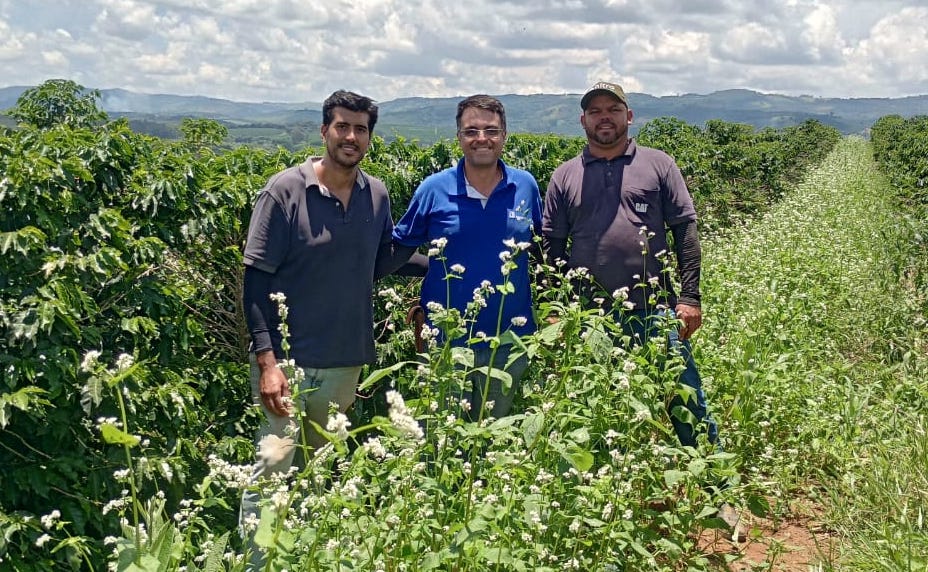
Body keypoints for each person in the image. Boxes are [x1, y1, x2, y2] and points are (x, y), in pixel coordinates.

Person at [239, 90, 423, 564]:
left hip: (345, 359)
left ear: (369, 137)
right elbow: (255, 282)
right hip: (291, 363)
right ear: (324, 131)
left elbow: (379, 262)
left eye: (361, 129)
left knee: (319, 471)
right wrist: (268, 363)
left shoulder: (375, 194)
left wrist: (441, 255)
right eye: (342, 126)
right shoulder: (284, 191)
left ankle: (303, 557)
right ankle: (257, 561)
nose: (351, 136)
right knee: (275, 464)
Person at [542, 81, 719, 449]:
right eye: (595, 112)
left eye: (613, 110)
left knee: (684, 398)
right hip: (589, 316)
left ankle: (714, 486)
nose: (604, 118)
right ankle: (611, 487)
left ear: (629, 116)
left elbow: (685, 231)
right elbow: (553, 245)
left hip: (655, 309)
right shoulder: (565, 175)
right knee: (596, 404)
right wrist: (557, 307)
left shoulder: (659, 164)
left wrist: (690, 297)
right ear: (583, 120)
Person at [392, 95, 543, 422]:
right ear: (459, 137)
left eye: (491, 130)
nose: (481, 139)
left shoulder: (526, 186)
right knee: (447, 441)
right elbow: (399, 250)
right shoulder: (434, 189)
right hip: (447, 341)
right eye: (471, 131)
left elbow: (541, 250)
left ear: (504, 135)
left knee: (496, 437)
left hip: (510, 341)